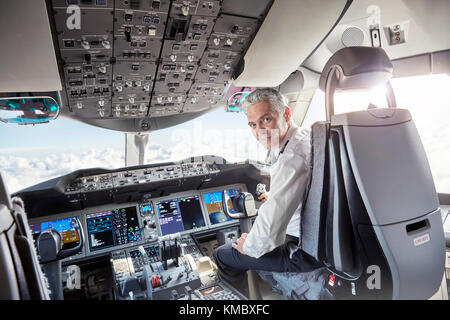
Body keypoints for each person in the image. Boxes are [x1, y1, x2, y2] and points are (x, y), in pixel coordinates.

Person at [213, 88, 323, 295]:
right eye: (253, 124)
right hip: (315, 236)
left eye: (266, 119)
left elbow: (273, 220)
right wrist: (274, 196)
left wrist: (248, 247)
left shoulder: (292, 156)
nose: (259, 131)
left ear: (287, 114)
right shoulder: (301, 138)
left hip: (303, 251)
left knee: (223, 254)